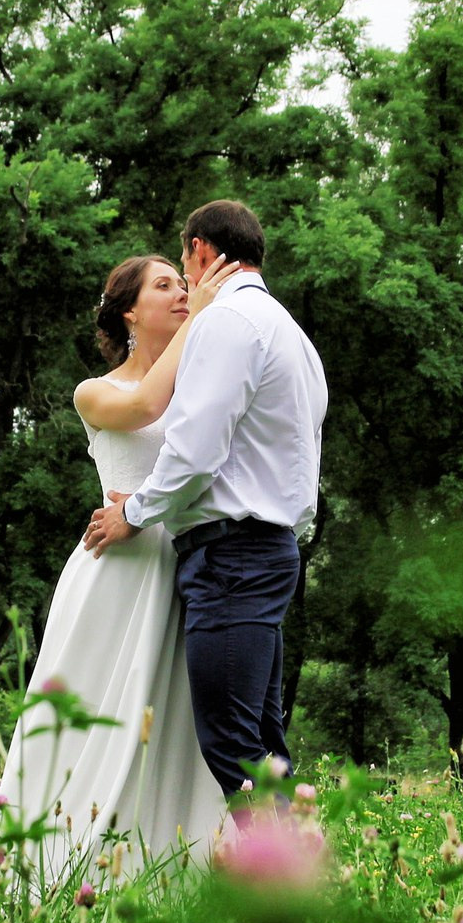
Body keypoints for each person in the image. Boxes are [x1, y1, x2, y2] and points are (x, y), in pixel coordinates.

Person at [0, 253, 234, 888]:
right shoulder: (97, 391)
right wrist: (204, 315)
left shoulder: (202, 387)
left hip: (189, 561)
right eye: (164, 286)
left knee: (180, 716)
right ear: (129, 312)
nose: (181, 293)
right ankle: (56, 851)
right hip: (116, 567)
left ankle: (172, 862)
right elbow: (143, 406)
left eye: (184, 284)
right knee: (89, 711)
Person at [83, 201, 329, 809]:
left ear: (198, 250)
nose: (184, 290)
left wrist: (133, 512)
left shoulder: (227, 324)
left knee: (234, 743)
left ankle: (276, 887)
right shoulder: (290, 332)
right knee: (260, 738)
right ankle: (290, 874)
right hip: (263, 551)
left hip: (229, 556)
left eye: (179, 271)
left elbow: (193, 453)